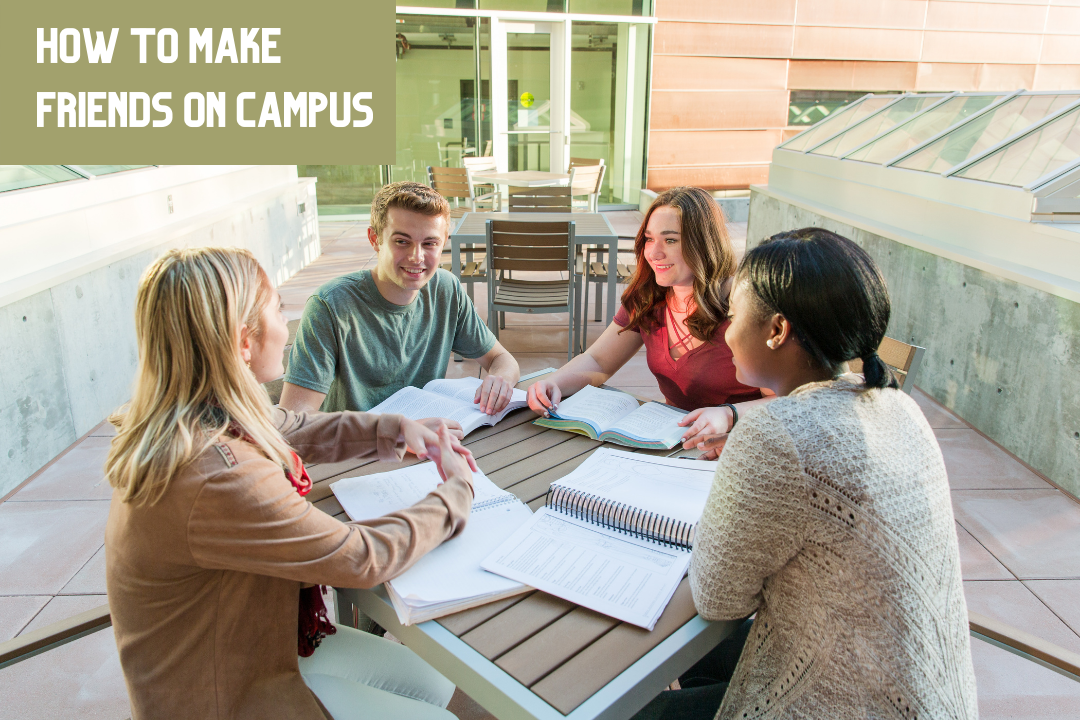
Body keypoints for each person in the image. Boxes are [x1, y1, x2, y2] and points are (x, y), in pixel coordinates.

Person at [104, 247, 481, 720]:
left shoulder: (193, 414)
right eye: (278, 309)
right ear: (243, 341)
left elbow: (294, 426)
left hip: (255, 639)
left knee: (432, 680)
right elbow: (362, 557)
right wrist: (457, 492)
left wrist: (395, 428)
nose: (287, 327)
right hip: (223, 692)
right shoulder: (217, 475)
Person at [635, 228, 977, 719]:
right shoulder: (897, 405)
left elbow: (718, 597)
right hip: (918, 692)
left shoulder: (778, 433)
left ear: (776, 330)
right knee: (706, 661)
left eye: (733, 316)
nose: (726, 332)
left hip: (841, 700)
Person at [527, 186, 766, 459]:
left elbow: (788, 402)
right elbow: (599, 361)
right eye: (649, 239)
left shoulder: (745, 307)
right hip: (671, 445)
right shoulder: (649, 298)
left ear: (704, 243)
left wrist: (729, 415)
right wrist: (553, 383)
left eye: (671, 240)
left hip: (738, 451)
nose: (654, 253)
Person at [281, 181, 520, 424]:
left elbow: (502, 359)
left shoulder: (446, 289)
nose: (417, 257)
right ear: (375, 239)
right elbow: (294, 421)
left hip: (424, 444)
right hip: (355, 453)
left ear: (444, 242)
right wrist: (392, 433)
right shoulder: (330, 305)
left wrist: (500, 378)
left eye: (429, 243)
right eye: (402, 241)